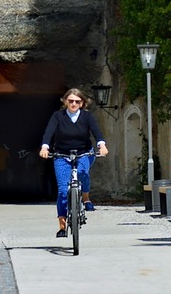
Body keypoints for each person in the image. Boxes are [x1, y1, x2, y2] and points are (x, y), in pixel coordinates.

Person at [40, 87, 108, 237]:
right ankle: (62, 226)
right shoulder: (58, 116)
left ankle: (85, 198)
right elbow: (49, 132)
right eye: (70, 101)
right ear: (65, 102)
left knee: (83, 174)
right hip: (62, 155)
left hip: (83, 153)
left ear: (82, 103)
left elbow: (96, 132)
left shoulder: (87, 116)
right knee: (63, 191)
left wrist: (102, 145)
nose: (73, 104)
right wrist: (45, 147)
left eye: (77, 101)